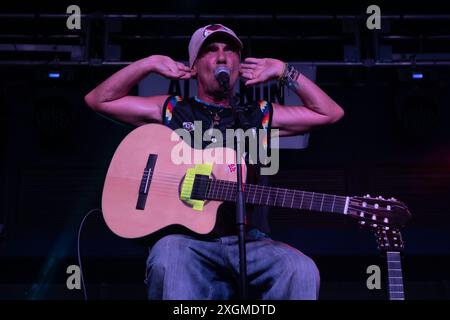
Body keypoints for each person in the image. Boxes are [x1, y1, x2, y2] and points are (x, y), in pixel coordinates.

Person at [85, 24, 344, 300]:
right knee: (168, 261)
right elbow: (98, 100)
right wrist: (147, 64)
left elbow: (330, 113)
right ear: (194, 66)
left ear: (239, 64)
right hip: (185, 243)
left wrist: (284, 71)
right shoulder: (173, 109)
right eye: (211, 50)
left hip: (250, 241)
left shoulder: (256, 115)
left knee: (300, 269)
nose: (222, 56)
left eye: (230, 50)